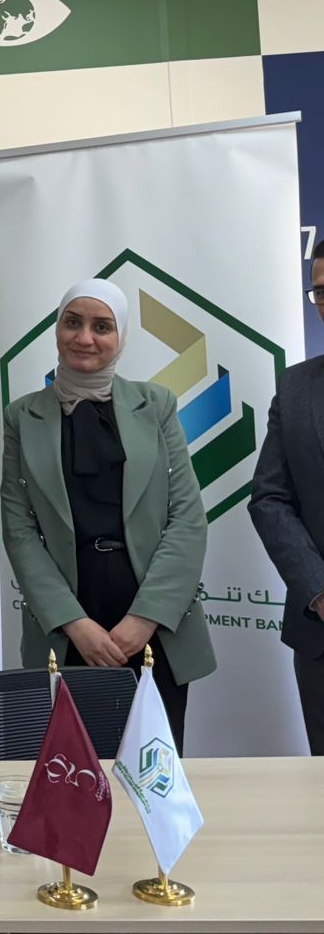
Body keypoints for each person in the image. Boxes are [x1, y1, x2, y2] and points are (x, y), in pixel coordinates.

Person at [2, 279, 213, 751]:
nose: (85, 337)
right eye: (72, 323)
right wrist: (74, 623)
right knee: (73, 771)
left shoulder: (156, 405)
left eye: (102, 326)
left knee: (153, 771)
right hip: (69, 623)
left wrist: (145, 618)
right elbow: (20, 529)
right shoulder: (22, 417)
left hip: (153, 621)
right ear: (57, 330)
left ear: (121, 337)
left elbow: (186, 517)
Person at [251, 242, 324, 754]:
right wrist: (317, 590)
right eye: (320, 290)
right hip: (320, 633)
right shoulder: (296, 386)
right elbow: (269, 497)